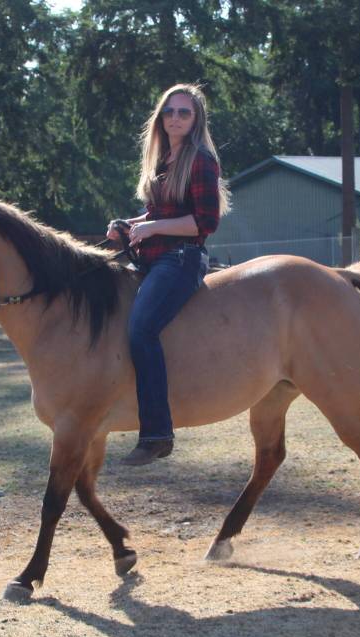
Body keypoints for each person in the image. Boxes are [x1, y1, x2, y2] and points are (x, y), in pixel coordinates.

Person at [107, 83, 230, 466]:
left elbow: (205, 222)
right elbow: (159, 214)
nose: (175, 118)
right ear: (160, 118)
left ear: (196, 120)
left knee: (141, 329)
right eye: (169, 112)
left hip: (181, 259)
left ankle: (157, 433)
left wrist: (154, 228)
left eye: (184, 113)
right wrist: (130, 224)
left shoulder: (201, 160)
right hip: (152, 257)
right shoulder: (163, 159)